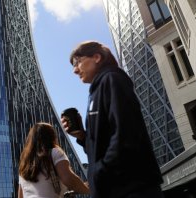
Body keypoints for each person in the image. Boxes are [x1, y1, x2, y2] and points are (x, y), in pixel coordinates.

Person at [61, 41, 164, 198]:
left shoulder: (112, 79)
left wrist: (99, 172)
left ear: (96, 57)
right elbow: (104, 144)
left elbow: (126, 133)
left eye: (78, 61)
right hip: (114, 188)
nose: (75, 70)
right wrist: (82, 137)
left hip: (130, 187)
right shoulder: (97, 90)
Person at [18, 122, 89, 198]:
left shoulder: (25, 163)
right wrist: (88, 190)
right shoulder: (55, 152)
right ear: (52, 137)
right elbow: (68, 179)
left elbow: (20, 195)